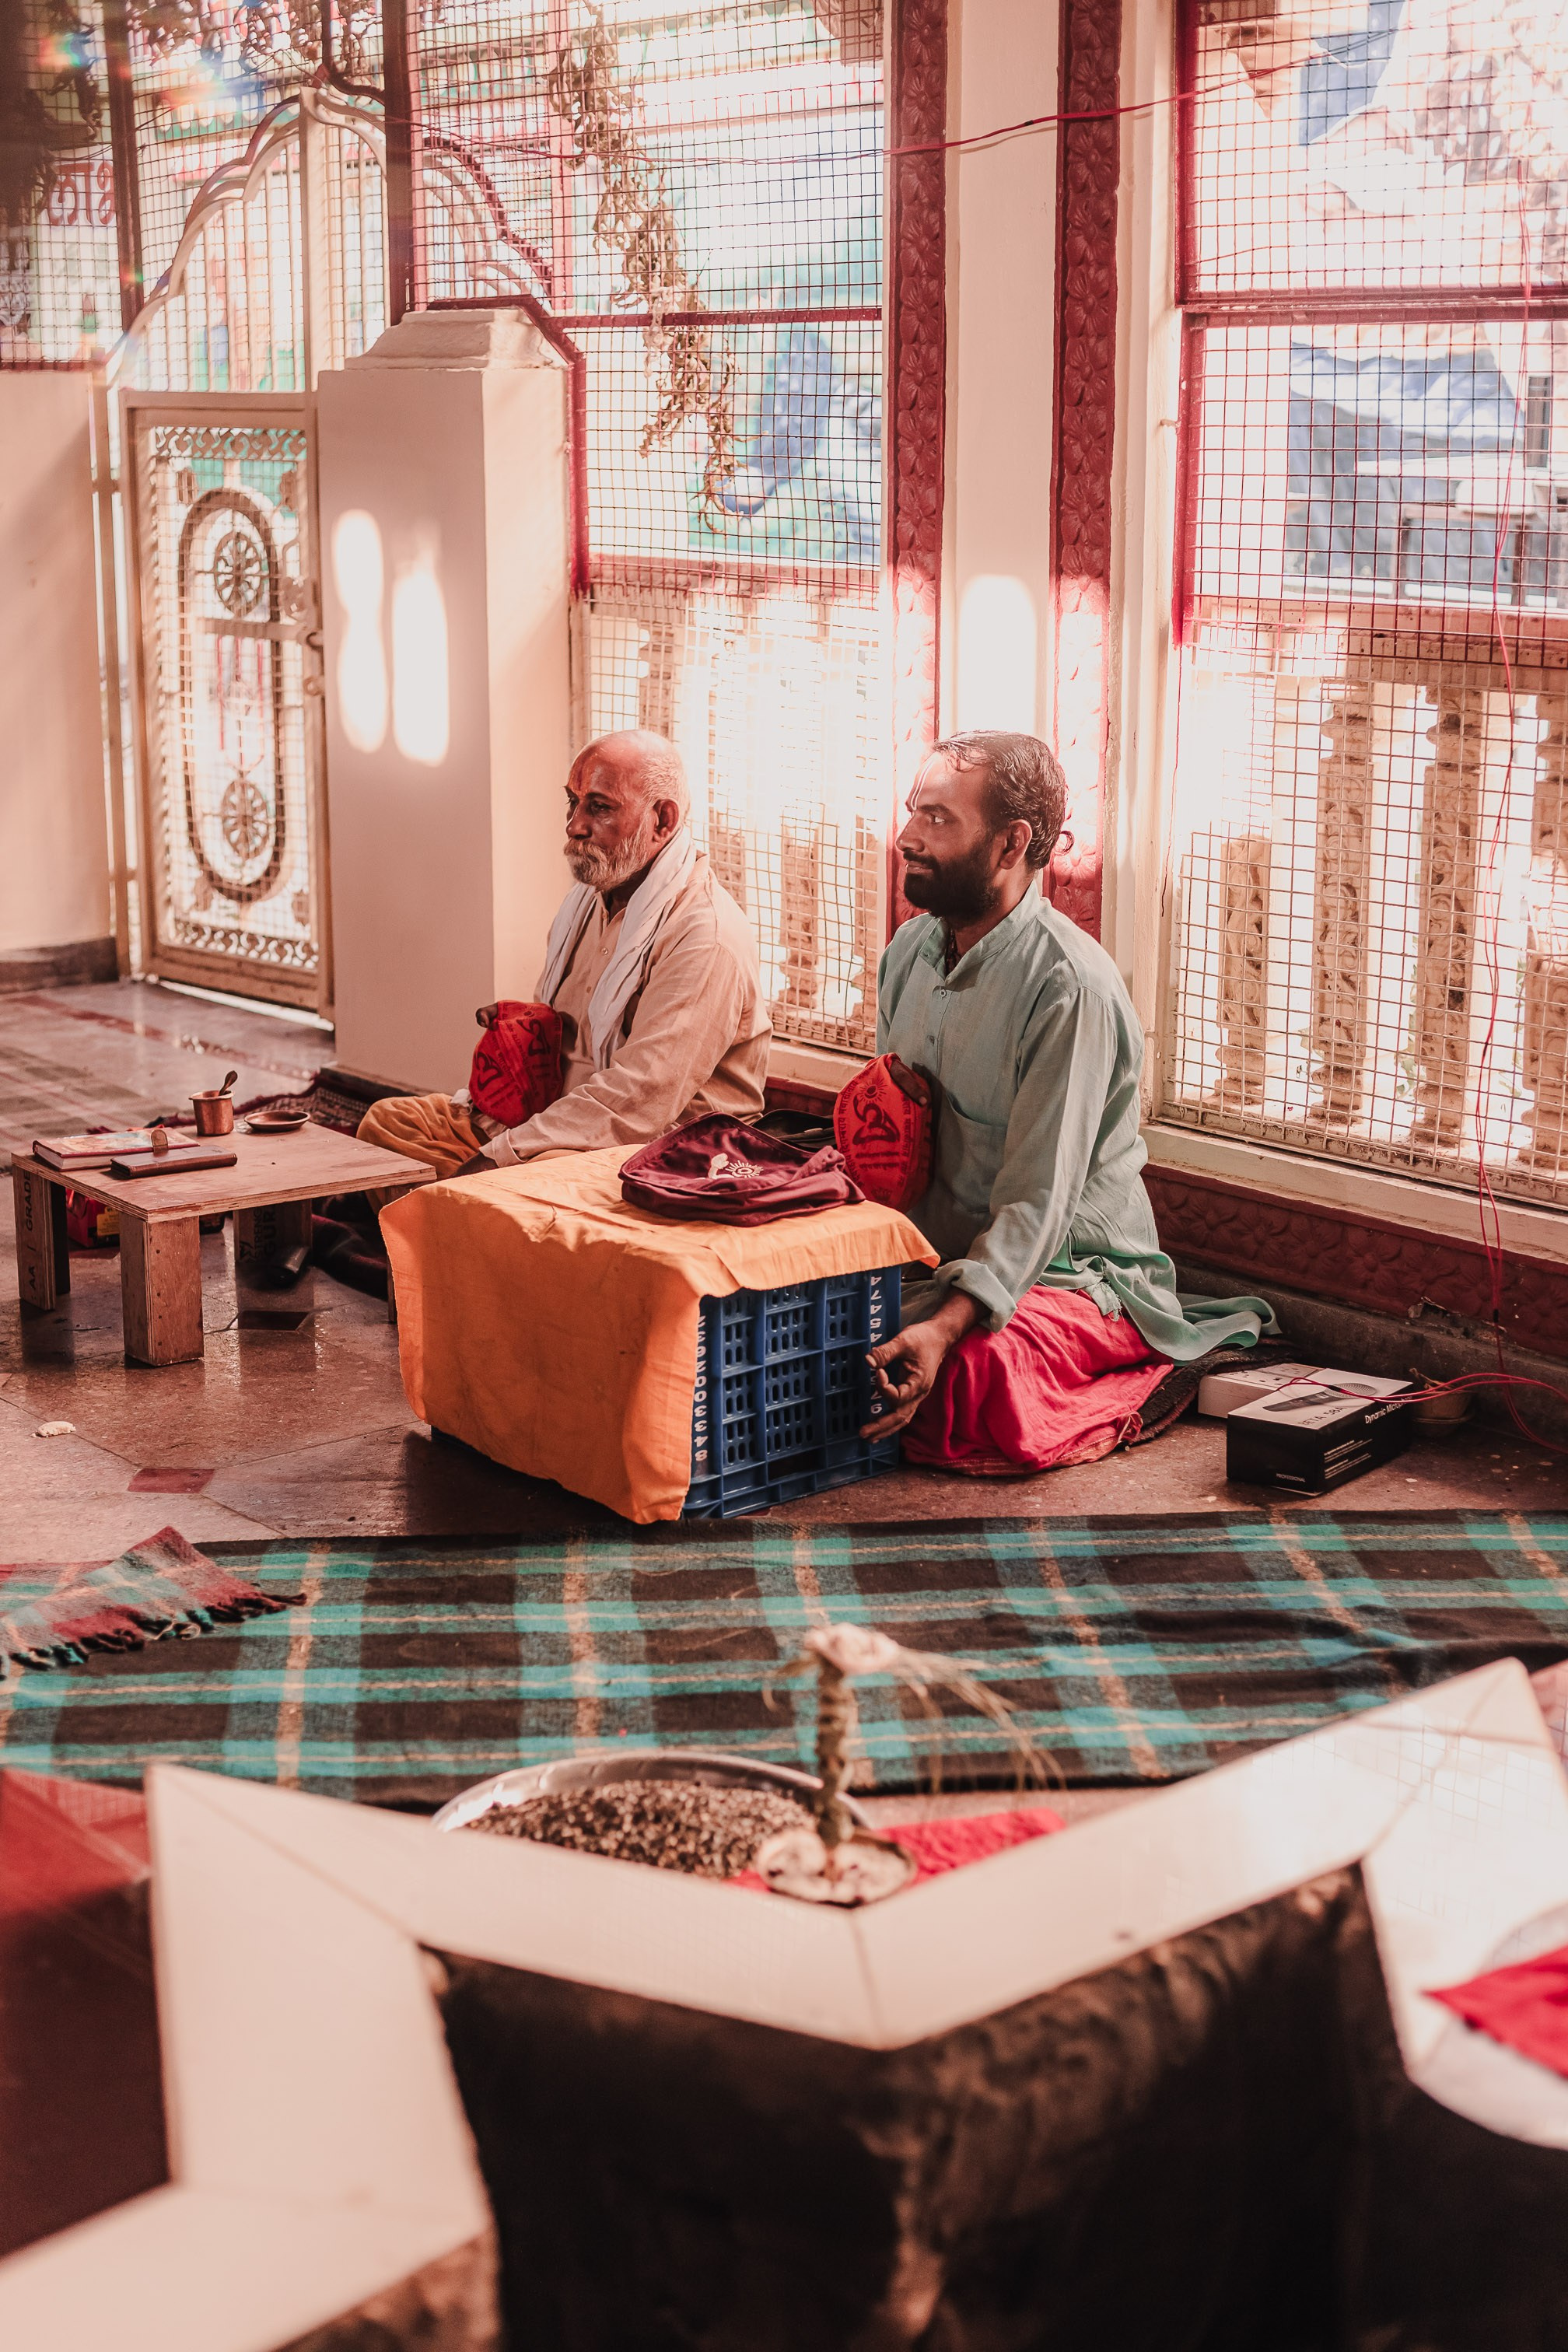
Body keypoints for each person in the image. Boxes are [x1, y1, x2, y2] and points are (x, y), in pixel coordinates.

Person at [860, 730, 1273, 1475]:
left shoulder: (1067, 989)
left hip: (1070, 1273)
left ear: (1010, 842)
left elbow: (1037, 1204)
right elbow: (890, 1138)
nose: (908, 838)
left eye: (939, 821)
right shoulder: (906, 955)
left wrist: (947, 1323)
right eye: (914, 813)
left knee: (969, 1378)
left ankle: (1138, 1368)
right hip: (935, 1259)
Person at [358, 731, 769, 1178]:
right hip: (558, 1119)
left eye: (599, 807)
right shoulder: (590, 901)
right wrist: (521, 1029)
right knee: (390, 1124)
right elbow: (563, 1036)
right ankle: (455, 1215)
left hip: (656, 1147)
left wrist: (500, 1155)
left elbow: (638, 1102)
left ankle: (455, 1215)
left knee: (514, 1188)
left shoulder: (703, 934)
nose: (574, 824)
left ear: (662, 820)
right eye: (572, 803)